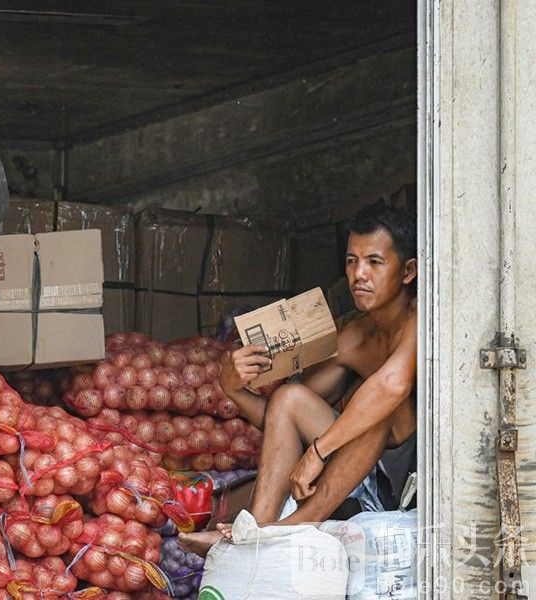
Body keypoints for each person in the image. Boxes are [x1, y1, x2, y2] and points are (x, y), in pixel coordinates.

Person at [179, 203, 418, 556]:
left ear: (408, 271)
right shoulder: (354, 336)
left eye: (374, 262)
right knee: (291, 396)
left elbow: (391, 386)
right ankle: (256, 530)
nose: (358, 275)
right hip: (355, 486)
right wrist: (231, 386)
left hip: (409, 493)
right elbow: (283, 417)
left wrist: (319, 452)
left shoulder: (420, 317)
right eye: (352, 261)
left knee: (374, 406)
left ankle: (290, 527)